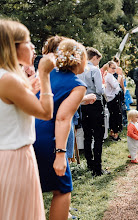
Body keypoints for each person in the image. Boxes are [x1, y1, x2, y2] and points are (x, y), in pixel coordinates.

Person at [0, 19, 54, 220]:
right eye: (27, 41)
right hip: (15, 158)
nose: (32, 46)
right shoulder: (9, 80)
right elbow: (46, 112)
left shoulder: (5, 77)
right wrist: (45, 74)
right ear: (11, 46)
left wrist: (29, 89)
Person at [33, 39, 87, 220]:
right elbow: (63, 119)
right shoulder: (77, 84)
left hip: (28, 133)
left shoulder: (45, 74)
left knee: (33, 187)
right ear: (79, 60)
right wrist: (60, 154)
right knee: (63, 188)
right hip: (49, 138)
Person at [78, 47, 106, 176]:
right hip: (95, 104)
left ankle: (89, 163)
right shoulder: (95, 70)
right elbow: (99, 90)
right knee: (98, 136)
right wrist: (104, 87)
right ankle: (97, 168)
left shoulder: (79, 69)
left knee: (87, 135)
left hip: (83, 104)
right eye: (98, 61)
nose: (98, 63)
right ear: (94, 58)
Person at [105, 61, 122, 141]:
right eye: (112, 68)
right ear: (108, 67)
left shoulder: (110, 75)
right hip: (112, 98)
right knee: (115, 116)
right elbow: (115, 86)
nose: (114, 70)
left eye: (115, 68)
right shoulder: (108, 76)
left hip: (113, 97)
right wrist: (118, 80)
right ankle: (115, 134)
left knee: (113, 116)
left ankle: (113, 132)